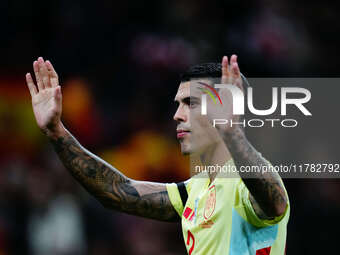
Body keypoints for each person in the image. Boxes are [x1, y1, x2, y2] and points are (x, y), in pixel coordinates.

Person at [25, 55, 289, 254]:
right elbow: (116, 190)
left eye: (191, 103)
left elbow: (274, 203)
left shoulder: (251, 182)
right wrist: (56, 131)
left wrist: (233, 134)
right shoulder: (195, 190)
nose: (177, 115)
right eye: (178, 104)